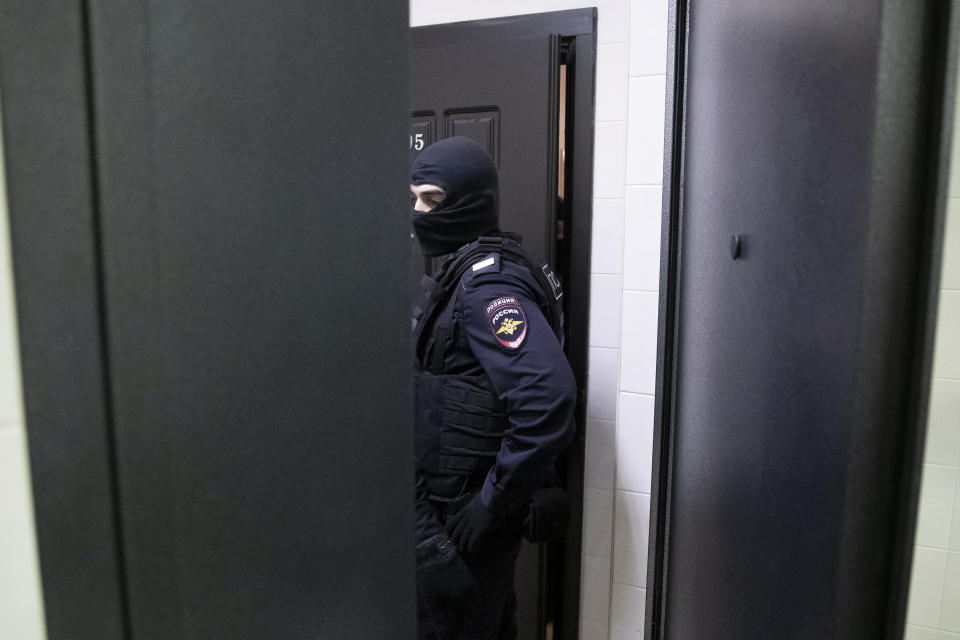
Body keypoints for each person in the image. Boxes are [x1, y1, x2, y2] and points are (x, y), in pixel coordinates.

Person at [410, 136, 577, 639]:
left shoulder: (489, 287)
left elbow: (548, 398)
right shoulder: (475, 271)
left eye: (432, 199)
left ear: (472, 200)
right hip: (454, 508)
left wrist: (492, 503)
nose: (417, 212)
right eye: (414, 197)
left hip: (460, 517)